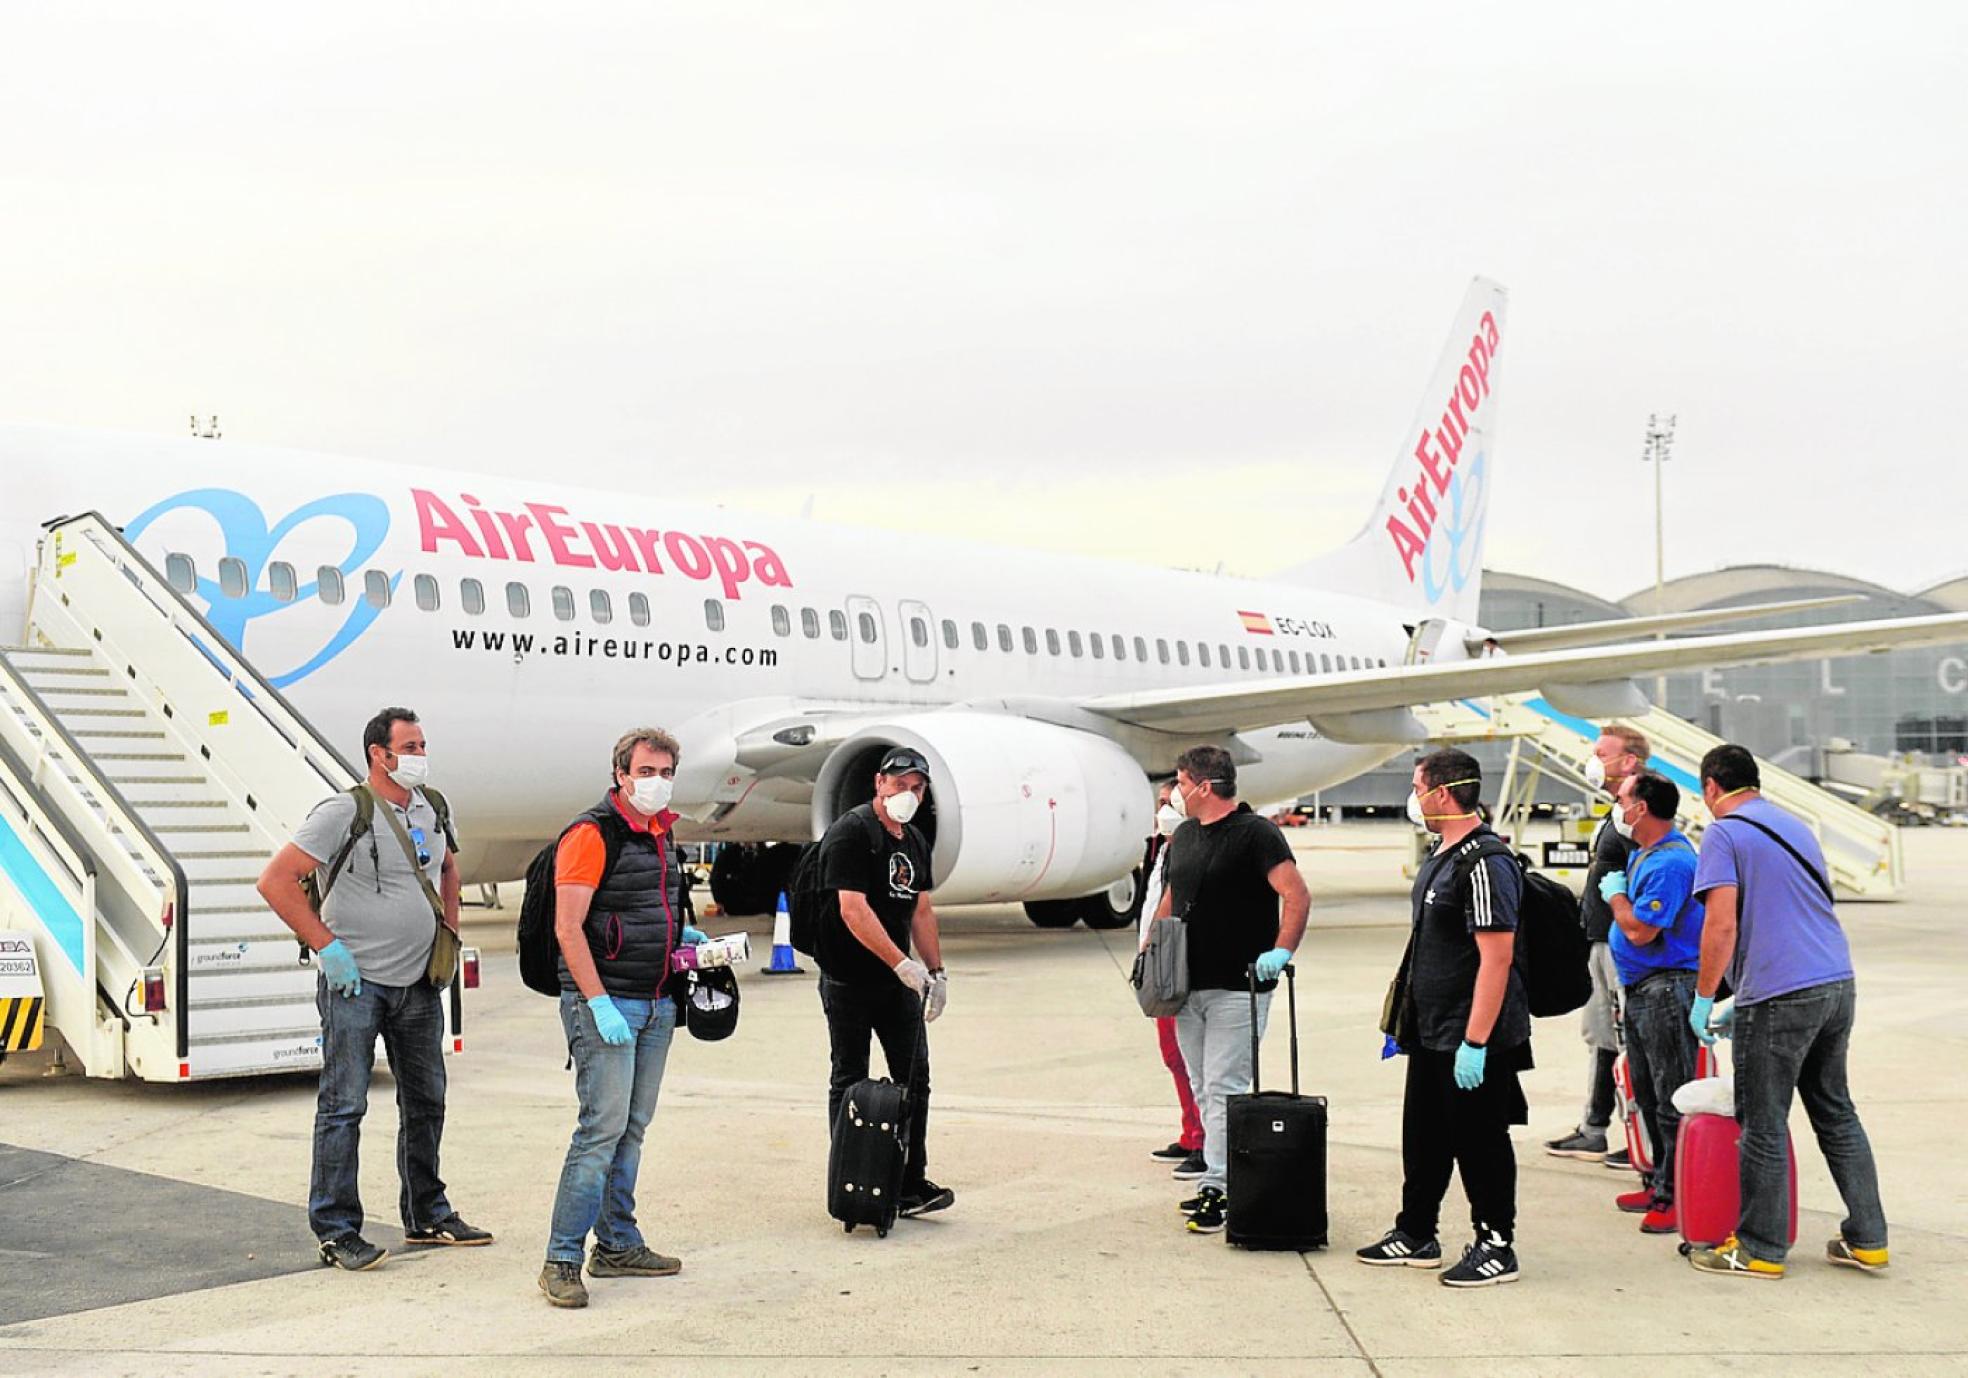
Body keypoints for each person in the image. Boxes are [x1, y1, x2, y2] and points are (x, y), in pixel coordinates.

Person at [258, 706, 491, 1272]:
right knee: (344, 1107)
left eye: (421, 745)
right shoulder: (343, 811)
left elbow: (449, 872)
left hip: (419, 984)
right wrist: (326, 946)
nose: (418, 755)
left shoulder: (433, 807)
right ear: (377, 754)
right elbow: (275, 880)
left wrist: (450, 935)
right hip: (355, 985)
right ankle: (337, 1231)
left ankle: (427, 1213)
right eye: (409, 747)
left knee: (427, 1100)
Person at [1685, 745, 1889, 1280]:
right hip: (1834, 982)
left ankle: (1759, 1247)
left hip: (1779, 995)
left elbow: (1721, 924)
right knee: (1836, 1112)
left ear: (1711, 787)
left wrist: (1706, 996)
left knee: (1763, 1123)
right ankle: (1868, 1238)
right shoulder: (1793, 826)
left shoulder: (1724, 833)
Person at [538, 728, 705, 1309]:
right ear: (621, 774)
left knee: (632, 1129)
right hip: (607, 1003)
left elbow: (645, 909)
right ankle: (561, 1257)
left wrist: (686, 938)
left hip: (657, 1001)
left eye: (667, 772)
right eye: (647, 771)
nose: (658, 782)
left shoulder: (661, 834)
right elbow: (567, 928)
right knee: (600, 1132)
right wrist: (598, 1001)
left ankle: (616, 1243)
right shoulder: (592, 833)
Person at [1357, 748, 1530, 1287]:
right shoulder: (1442, 855)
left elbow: (1497, 956)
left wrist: (1475, 1041)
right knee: (1425, 1136)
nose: (1413, 797)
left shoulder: (1485, 863)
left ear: (1442, 793)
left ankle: (1497, 1243)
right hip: (1430, 1031)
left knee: (1481, 1142)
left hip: (1470, 1035)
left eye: (1417, 786)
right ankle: (1416, 1231)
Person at [1151, 744, 1310, 1235]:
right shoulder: (1185, 838)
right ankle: (1215, 1179)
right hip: (1187, 989)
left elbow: (1295, 894)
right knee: (1202, 1085)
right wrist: (1151, 952)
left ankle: (1220, 1186)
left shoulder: (1257, 834)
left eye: (1180, 782)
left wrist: (1282, 951)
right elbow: (1173, 898)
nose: (1175, 792)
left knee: (1224, 1088)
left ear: (1204, 785)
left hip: (1237, 989)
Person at [814, 747, 954, 1219]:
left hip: (901, 984)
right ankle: (851, 1178)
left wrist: (935, 972)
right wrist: (900, 963)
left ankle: (909, 1181)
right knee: (849, 1080)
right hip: (850, 980)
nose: (908, 794)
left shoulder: (913, 839)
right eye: (900, 784)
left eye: (917, 788)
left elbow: (920, 908)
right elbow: (853, 908)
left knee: (915, 1078)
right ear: (879, 783)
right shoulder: (851, 832)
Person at [1598, 771, 1705, 1235]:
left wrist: (1616, 896)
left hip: (1666, 989)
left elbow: (1642, 931)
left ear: (1641, 807)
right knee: (1646, 1091)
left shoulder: (1670, 864)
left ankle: (1677, 1195)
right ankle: (1660, 1180)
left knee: (1671, 1096)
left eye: (1622, 798)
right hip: (1644, 990)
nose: (1617, 806)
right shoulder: (1646, 853)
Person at [1545, 725, 1648, 1169]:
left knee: (1632, 1039)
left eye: (1601, 752)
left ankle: (1643, 1136)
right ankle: (1596, 1126)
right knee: (1601, 1035)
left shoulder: (1637, 810)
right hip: (1601, 940)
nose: (1593, 758)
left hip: (1623, 943)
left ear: (1629, 761)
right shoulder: (1615, 811)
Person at [1137, 783, 1205, 1175]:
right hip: (1158, 964)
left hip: (1175, 965)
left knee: (1190, 1056)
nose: (1163, 810)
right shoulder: (1162, 849)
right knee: (1173, 1055)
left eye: (1171, 803)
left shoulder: (1191, 850)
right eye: (1160, 803)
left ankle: (1205, 1141)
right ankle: (1191, 1133)